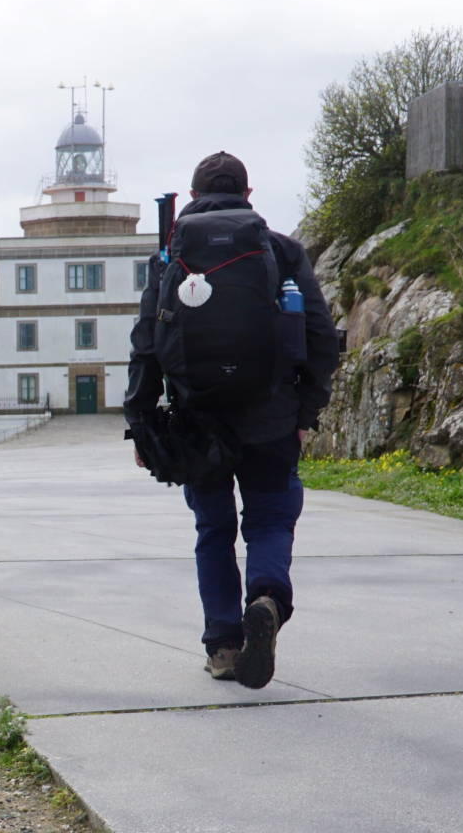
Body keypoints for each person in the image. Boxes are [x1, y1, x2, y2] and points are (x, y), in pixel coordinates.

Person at [123, 152, 339, 689]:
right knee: (269, 520)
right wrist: (305, 413)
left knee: (213, 531)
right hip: (271, 419)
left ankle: (223, 645)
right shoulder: (281, 250)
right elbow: (320, 338)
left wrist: (143, 424)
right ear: (248, 196)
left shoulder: (170, 256)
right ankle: (266, 598)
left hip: (199, 424)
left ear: (191, 197)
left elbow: (146, 347)